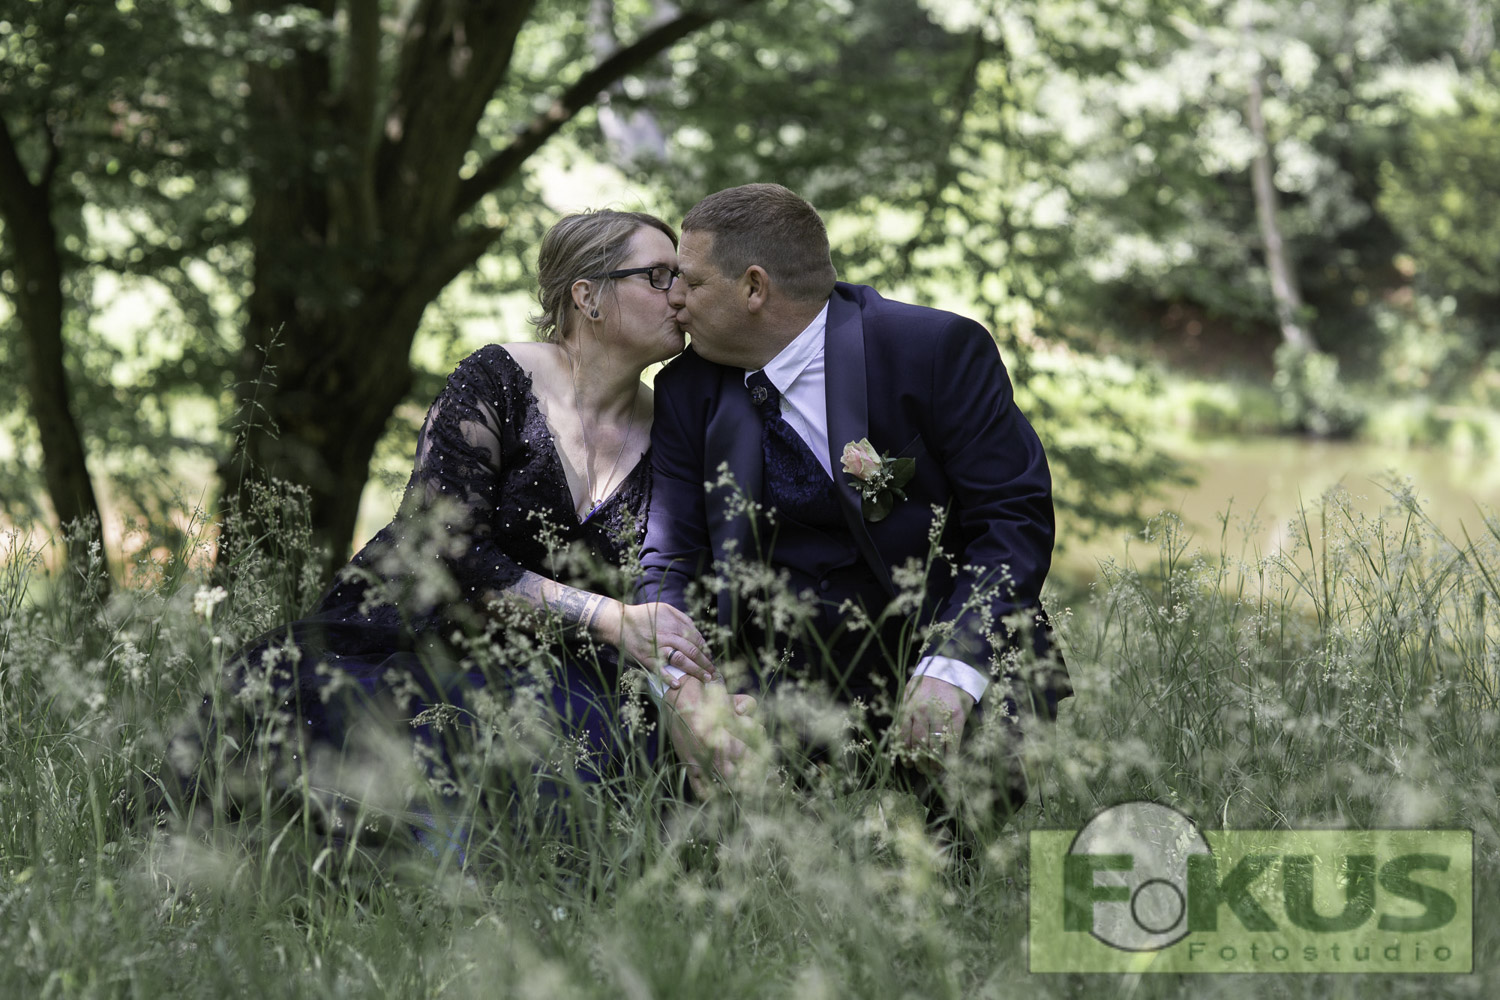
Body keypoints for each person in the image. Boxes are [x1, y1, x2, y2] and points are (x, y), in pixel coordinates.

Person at [174, 210, 725, 848]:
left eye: (682, 277)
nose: (679, 295)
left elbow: (673, 580)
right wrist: (606, 617)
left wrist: (686, 689)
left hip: (558, 667)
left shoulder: (673, 428)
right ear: (588, 296)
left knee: (592, 742)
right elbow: (448, 555)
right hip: (419, 634)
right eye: (658, 276)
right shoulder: (498, 381)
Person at [638, 183, 1070, 822]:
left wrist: (954, 668)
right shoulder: (686, 389)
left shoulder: (933, 350)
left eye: (691, 281)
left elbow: (1013, 519)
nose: (674, 298)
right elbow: (672, 556)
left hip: (940, 649)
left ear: (754, 288)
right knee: (692, 814)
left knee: (950, 856)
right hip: (774, 680)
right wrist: (688, 692)